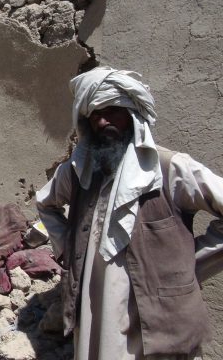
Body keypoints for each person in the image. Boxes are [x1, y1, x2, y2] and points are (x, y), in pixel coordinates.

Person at [36, 66, 223, 359]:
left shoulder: (168, 168)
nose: (102, 121)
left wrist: (191, 265)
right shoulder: (81, 168)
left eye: (112, 111)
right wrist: (67, 248)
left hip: (153, 310)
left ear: (133, 114)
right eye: (94, 114)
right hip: (92, 298)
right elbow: (45, 204)